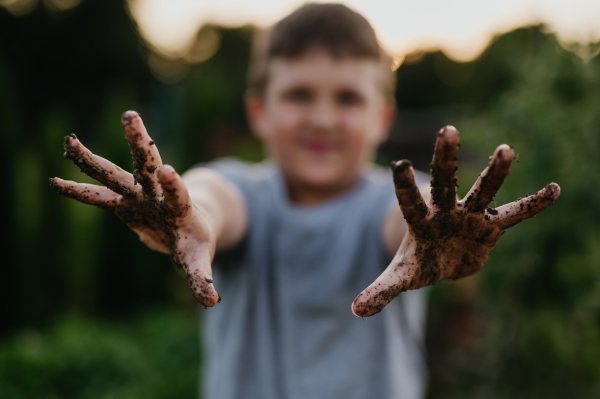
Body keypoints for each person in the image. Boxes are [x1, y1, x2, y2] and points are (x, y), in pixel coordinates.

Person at [49, 3, 560, 399]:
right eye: (298, 95)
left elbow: (406, 221)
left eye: (347, 98)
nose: (322, 118)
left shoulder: (397, 201)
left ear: (383, 116)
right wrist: (191, 215)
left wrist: (429, 227)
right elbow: (213, 198)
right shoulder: (244, 190)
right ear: (259, 111)